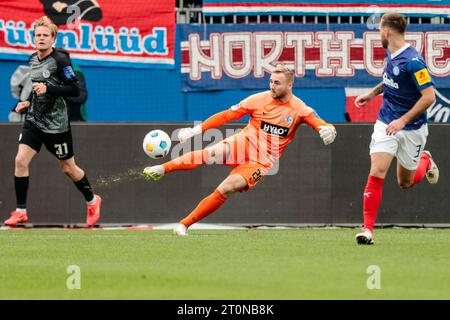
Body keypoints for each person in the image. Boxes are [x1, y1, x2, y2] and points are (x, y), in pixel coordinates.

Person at [143, 64, 337, 236]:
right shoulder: (258, 99)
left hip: (261, 161)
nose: (272, 86)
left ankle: (183, 225)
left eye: (277, 83)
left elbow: (319, 122)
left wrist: (328, 129)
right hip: (242, 142)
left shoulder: (299, 109)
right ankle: (162, 168)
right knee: (209, 153)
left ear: (289, 85)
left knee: (226, 188)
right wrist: (196, 130)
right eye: (270, 81)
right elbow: (226, 116)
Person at [3, 16, 101, 227]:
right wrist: (26, 102)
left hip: (56, 125)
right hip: (34, 121)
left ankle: (93, 200)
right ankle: (21, 211)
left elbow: (74, 90)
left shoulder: (61, 61)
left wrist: (50, 89)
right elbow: (38, 89)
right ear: (33, 37)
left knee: (68, 168)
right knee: (20, 160)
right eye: (38, 35)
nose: (41, 38)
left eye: (45, 35)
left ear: (53, 39)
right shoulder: (32, 60)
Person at [354, 13, 439, 245]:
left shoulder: (413, 61)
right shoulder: (391, 53)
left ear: (386, 32)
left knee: (405, 182)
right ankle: (368, 230)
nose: (378, 34)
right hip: (385, 122)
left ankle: (426, 161)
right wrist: (371, 94)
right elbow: (391, 81)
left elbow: (429, 96)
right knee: (377, 171)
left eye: (379, 30)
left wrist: (402, 121)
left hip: (411, 128)